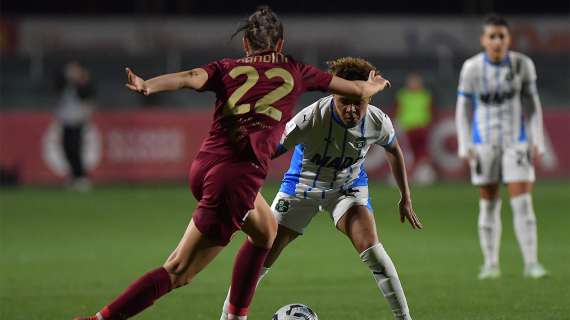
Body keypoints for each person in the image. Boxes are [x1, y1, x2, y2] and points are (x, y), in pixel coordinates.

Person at [74, 6, 390, 320]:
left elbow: (189, 77)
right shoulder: (295, 70)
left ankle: (236, 316)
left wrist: (149, 85)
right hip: (236, 177)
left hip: (206, 165)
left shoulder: (227, 67)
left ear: (246, 46)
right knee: (178, 271)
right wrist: (374, 86)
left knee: (266, 230)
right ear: (280, 45)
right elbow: (359, 90)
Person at [218, 57, 422, 320]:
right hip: (301, 188)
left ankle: (405, 319)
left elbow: (393, 149)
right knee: (261, 253)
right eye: (343, 101)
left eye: (357, 102)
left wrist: (405, 197)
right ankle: (228, 317)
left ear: (367, 98)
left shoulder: (377, 121)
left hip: (347, 189)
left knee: (374, 251)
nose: (351, 110)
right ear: (333, 95)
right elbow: (269, 151)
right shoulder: (312, 117)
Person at [455, 14, 547, 279]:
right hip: (484, 143)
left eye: (501, 36)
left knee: (523, 203)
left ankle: (531, 263)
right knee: (489, 204)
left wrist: (536, 140)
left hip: (515, 142)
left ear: (508, 39)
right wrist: (465, 143)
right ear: (484, 40)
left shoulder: (522, 65)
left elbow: (533, 105)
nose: (497, 41)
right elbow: (463, 107)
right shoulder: (472, 68)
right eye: (492, 36)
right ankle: (491, 264)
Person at [55, 61, 95, 191]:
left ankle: (81, 176)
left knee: (75, 148)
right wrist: (67, 78)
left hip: (78, 121)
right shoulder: (65, 85)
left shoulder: (83, 85)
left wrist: (79, 80)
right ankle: (74, 175)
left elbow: (85, 95)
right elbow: (56, 86)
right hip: (66, 121)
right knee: (67, 149)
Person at [395, 72, 436, 184]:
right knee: (408, 154)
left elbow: (430, 110)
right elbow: (398, 110)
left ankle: (421, 175)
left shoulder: (425, 95)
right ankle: (406, 176)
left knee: (422, 153)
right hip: (408, 129)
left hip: (422, 128)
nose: (414, 84)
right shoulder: (403, 95)